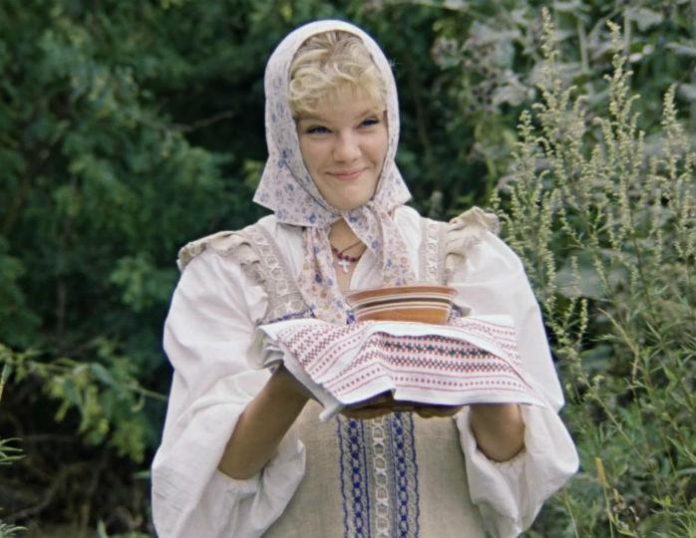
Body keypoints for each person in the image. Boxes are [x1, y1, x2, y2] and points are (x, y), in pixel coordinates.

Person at [151, 19, 579, 538]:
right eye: (319, 129)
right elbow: (200, 504)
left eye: (367, 123)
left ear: (390, 121)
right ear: (284, 134)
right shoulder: (230, 272)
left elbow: (522, 487)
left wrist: (478, 374)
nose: (348, 152)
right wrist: (296, 378)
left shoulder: (469, 261)